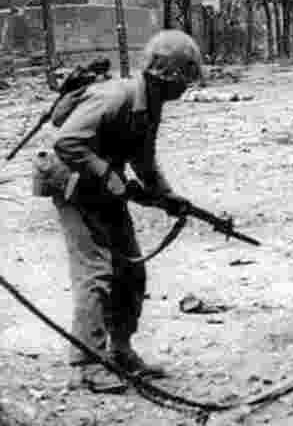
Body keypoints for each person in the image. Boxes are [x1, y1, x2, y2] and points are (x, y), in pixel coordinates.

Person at [46, 30, 203, 393]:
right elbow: (67, 142)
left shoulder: (151, 107)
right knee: (96, 272)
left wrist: (168, 197)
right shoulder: (117, 97)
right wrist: (107, 175)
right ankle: (86, 363)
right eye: (184, 79)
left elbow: (144, 163)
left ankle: (119, 350)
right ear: (167, 75)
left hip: (104, 188)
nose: (185, 89)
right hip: (74, 186)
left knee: (131, 268)